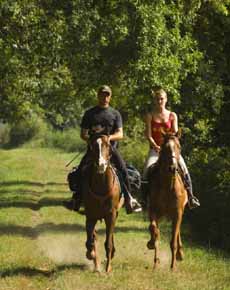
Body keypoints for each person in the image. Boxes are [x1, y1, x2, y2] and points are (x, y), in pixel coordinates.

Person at [65, 85, 142, 214]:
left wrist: (109, 138)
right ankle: (76, 199)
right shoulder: (90, 113)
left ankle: (130, 199)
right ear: (98, 96)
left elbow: (120, 134)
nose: (104, 97)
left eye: (107, 95)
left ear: (110, 97)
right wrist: (92, 140)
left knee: (123, 169)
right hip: (94, 149)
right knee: (81, 169)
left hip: (111, 149)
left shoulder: (115, 114)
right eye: (102, 94)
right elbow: (83, 134)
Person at [142, 87, 200, 209]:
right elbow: (148, 135)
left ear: (166, 100)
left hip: (171, 150)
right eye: (157, 99)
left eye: (161, 99)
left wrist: (171, 144)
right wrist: (156, 146)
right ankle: (144, 199)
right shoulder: (150, 115)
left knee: (184, 168)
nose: (159, 101)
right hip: (156, 149)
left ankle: (191, 197)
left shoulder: (172, 115)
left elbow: (175, 133)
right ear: (154, 100)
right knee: (146, 171)